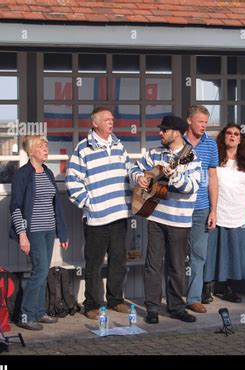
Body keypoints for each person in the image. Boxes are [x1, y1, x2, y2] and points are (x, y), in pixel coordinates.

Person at [130, 115, 201, 324]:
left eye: (164, 130)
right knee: (152, 264)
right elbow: (133, 168)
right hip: (155, 215)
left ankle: (177, 307)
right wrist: (140, 178)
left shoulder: (192, 157)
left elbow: (192, 187)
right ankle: (152, 307)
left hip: (179, 220)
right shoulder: (154, 153)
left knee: (177, 265)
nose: (160, 133)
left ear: (176, 133)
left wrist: (174, 176)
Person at [66, 106, 131, 320]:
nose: (111, 123)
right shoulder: (83, 148)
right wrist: (89, 204)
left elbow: (129, 170)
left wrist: (139, 177)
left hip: (119, 214)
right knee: (94, 262)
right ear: (95, 123)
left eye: (112, 119)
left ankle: (115, 299)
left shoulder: (119, 145)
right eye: (106, 120)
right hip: (96, 217)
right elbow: (72, 181)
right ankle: (91, 304)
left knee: (118, 260)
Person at [9, 135, 69, 330]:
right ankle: (25, 316)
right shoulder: (22, 174)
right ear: (32, 150)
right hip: (32, 231)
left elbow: (56, 205)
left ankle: (38, 312)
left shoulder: (48, 172)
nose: (46, 148)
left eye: (46, 146)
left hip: (49, 230)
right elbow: (16, 207)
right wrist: (22, 234)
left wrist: (62, 233)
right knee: (40, 271)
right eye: (42, 146)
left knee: (43, 272)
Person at [204, 124, 245, 303]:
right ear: (223, 136)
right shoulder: (215, 158)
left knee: (232, 253)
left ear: (240, 139)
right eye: (229, 133)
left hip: (239, 214)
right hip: (217, 212)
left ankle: (225, 288)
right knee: (212, 253)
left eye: (236, 134)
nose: (232, 136)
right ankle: (205, 289)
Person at [184, 105, 219, 314]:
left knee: (199, 254)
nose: (203, 126)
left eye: (206, 122)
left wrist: (214, 210)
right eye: (200, 121)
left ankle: (194, 298)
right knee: (176, 255)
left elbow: (213, 177)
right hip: (178, 209)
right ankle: (173, 297)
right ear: (189, 121)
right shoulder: (178, 142)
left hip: (201, 208)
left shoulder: (211, 144)